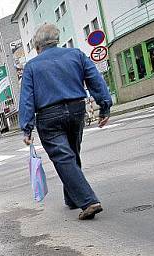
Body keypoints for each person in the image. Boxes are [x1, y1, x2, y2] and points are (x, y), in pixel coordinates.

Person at [19, 23, 112, 220]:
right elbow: (95, 80)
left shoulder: (32, 67)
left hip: (48, 116)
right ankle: (72, 198)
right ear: (56, 40)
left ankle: (88, 201)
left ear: (37, 47)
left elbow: (27, 99)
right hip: (76, 109)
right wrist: (104, 105)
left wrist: (26, 128)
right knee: (71, 153)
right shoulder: (76, 55)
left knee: (64, 157)